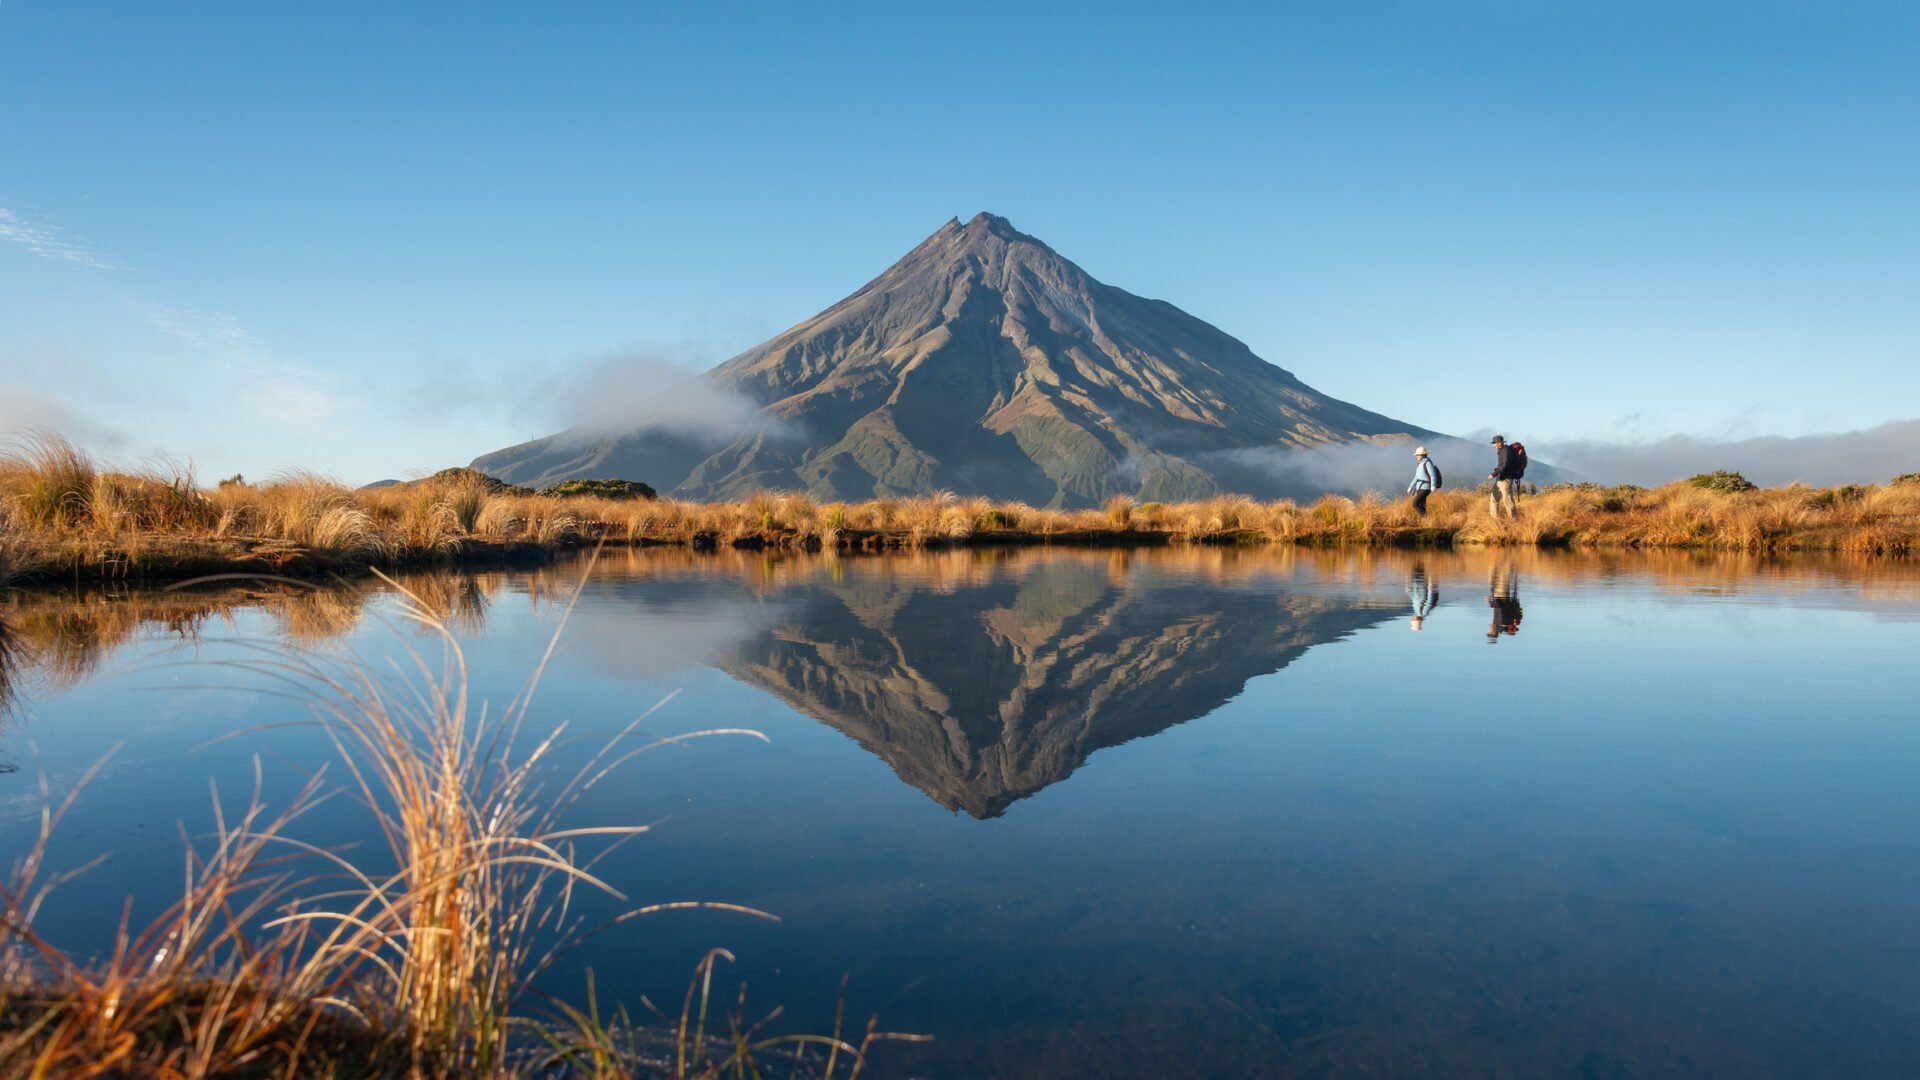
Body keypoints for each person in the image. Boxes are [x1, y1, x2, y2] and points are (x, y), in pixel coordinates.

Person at [1486, 560, 1522, 642]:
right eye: (1490, 632)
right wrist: (1490, 602)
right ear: (1494, 633)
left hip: (1499, 594)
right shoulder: (1501, 625)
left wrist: (1491, 601)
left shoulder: (1499, 626)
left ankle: (1503, 560)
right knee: (1502, 572)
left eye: (1489, 631)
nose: (1489, 629)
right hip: (1501, 594)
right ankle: (1508, 559)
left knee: (1494, 571)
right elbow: (1500, 607)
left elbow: (1499, 608)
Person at [1488, 435, 1522, 518]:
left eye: (1494, 443)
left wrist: (1494, 474)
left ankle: (1513, 520)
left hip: (1505, 479)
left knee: (1507, 500)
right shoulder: (1501, 450)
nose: (1493, 445)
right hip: (1500, 479)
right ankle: (1494, 520)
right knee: (1494, 499)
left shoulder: (1505, 451)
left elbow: (1504, 466)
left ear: (1499, 443)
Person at [1406, 446, 1439, 517]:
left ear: (1422, 455)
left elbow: (1432, 474)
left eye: (1418, 455)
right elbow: (1416, 477)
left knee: (1415, 504)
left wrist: (1433, 485)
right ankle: (1426, 522)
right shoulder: (1420, 463)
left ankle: (1426, 518)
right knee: (1421, 504)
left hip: (1426, 487)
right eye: (1416, 455)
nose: (1416, 456)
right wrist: (1411, 487)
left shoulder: (1428, 463)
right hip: (1419, 487)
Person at [1407, 559, 1439, 631]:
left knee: (1416, 565)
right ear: (1416, 620)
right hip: (1421, 585)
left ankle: (1420, 558)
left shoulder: (1417, 612)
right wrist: (1430, 583)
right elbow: (1429, 599)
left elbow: (1414, 598)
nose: (1412, 618)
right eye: (1413, 620)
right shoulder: (1423, 612)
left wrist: (1408, 590)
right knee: (1420, 566)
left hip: (1417, 583)